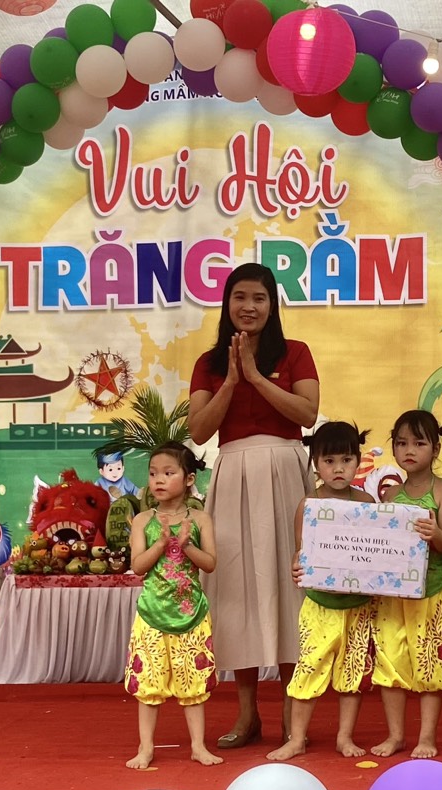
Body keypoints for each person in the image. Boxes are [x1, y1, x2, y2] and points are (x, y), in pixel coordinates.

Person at [187, 263, 319, 749]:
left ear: (272, 304)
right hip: (234, 475)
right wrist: (230, 379)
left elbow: (307, 414)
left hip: (286, 472)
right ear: (227, 303)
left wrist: (257, 377)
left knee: (289, 586)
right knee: (236, 587)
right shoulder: (208, 361)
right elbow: (199, 430)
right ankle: (247, 714)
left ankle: (290, 711)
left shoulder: (295, 352)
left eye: (259, 298)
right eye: (239, 297)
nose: (249, 306)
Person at [268, 422, 377, 761]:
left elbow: (377, 552)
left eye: (346, 460)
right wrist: (296, 566)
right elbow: (300, 552)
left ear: (358, 461)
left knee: (353, 673)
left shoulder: (367, 502)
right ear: (316, 463)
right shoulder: (309, 504)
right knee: (308, 669)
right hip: (319, 605)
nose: (338, 468)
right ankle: (297, 738)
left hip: (358, 605)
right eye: (329, 461)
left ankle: (345, 737)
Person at [124, 442, 221, 770]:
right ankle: (146, 747)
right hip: (152, 614)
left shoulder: (201, 519)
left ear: (189, 478)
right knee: (148, 684)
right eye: (153, 474)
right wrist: (162, 543)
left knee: (193, 683)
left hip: (191, 614)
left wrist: (187, 545)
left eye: (168, 473)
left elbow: (210, 564)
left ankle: (198, 746)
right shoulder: (142, 520)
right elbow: (138, 567)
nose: (159, 480)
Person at [370, 410, 442, 759]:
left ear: (435, 449)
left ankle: (427, 737)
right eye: (402, 443)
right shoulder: (391, 495)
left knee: (431, 663)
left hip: (432, 592)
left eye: (419, 443)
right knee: (390, 661)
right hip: (392, 596)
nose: (409, 450)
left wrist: (435, 533)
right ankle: (395, 735)